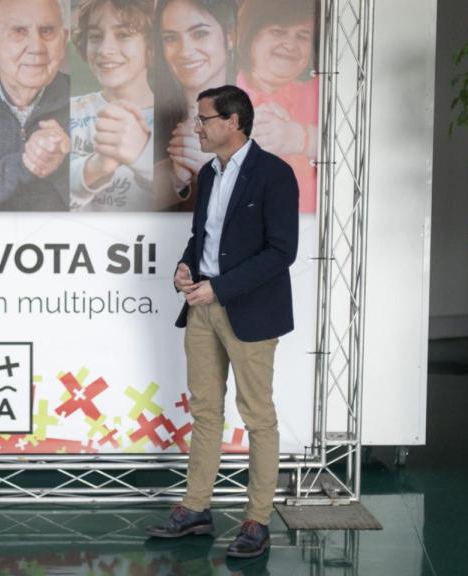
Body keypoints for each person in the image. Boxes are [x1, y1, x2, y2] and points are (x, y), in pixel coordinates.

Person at [145, 85, 298, 560]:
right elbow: (202, 237)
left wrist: (222, 287)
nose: (198, 126)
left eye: (205, 119)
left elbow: (281, 252)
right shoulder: (209, 175)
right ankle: (196, 508)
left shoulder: (275, 174)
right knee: (206, 412)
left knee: (258, 417)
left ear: (233, 122)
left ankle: (256, 520)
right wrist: (185, 267)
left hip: (247, 309)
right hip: (201, 305)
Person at [68, 0, 154, 212]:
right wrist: (95, 167)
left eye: (123, 34)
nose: (105, 49)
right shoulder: (66, 112)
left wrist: (143, 155)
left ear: (151, 44)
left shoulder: (178, 119)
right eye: (95, 36)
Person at [0, 0, 71, 211]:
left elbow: (100, 205)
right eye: (19, 31)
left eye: (47, 30)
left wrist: (61, 164)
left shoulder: (85, 101)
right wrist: (24, 165)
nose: (36, 47)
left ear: (64, 39)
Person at [153, 0, 237, 210]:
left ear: (230, 36)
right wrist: (174, 176)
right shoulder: (151, 113)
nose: (185, 51)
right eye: (171, 38)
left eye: (199, 34)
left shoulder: (262, 110)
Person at [236, 0, 318, 213]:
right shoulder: (221, 96)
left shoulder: (324, 93)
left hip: (313, 236)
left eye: (302, 36)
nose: (291, 45)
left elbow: (368, 150)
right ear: (251, 35)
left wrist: (302, 138)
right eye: (278, 31)